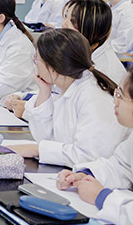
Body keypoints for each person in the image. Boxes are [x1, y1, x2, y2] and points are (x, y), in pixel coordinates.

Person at [56, 63, 133, 224]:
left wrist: (101, 197)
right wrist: (83, 176)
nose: (115, 102)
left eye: (121, 96)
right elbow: (119, 166)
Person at [7, 29, 126, 166]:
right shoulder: (63, 87)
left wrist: (37, 150)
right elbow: (44, 137)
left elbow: (88, 156)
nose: (34, 64)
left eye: (36, 59)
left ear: (53, 68)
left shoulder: (93, 97)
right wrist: (44, 90)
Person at [5, 0, 127, 118]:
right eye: (65, 17)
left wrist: (27, 111)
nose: (63, 24)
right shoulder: (77, 54)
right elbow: (56, 92)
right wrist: (23, 97)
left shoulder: (105, 69)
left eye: (72, 21)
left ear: (91, 28)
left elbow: (69, 116)